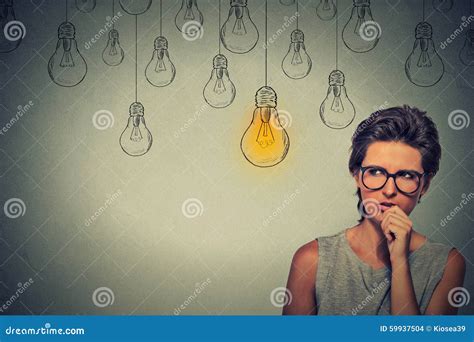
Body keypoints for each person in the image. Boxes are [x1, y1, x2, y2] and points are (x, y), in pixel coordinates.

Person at [283, 105, 466, 315]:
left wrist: (399, 261)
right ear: (357, 175)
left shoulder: (446, 264)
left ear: (424, 185)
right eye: (376, 172)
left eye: (406, 175)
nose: (389, 190)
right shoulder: (312, 260)